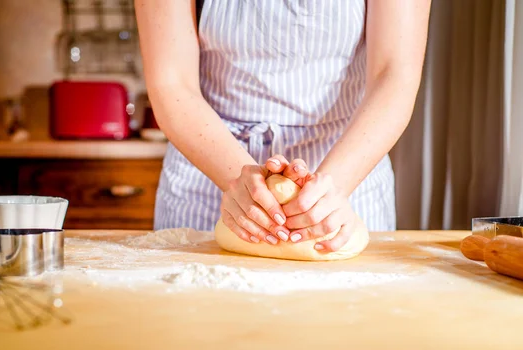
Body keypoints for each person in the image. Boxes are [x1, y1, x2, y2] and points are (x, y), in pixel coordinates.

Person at [135, 0, 431, 252]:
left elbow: (394, 75)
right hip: (210, 176)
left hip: (346, 178)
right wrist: (240, 182)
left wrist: (330, 190)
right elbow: (171, 82)